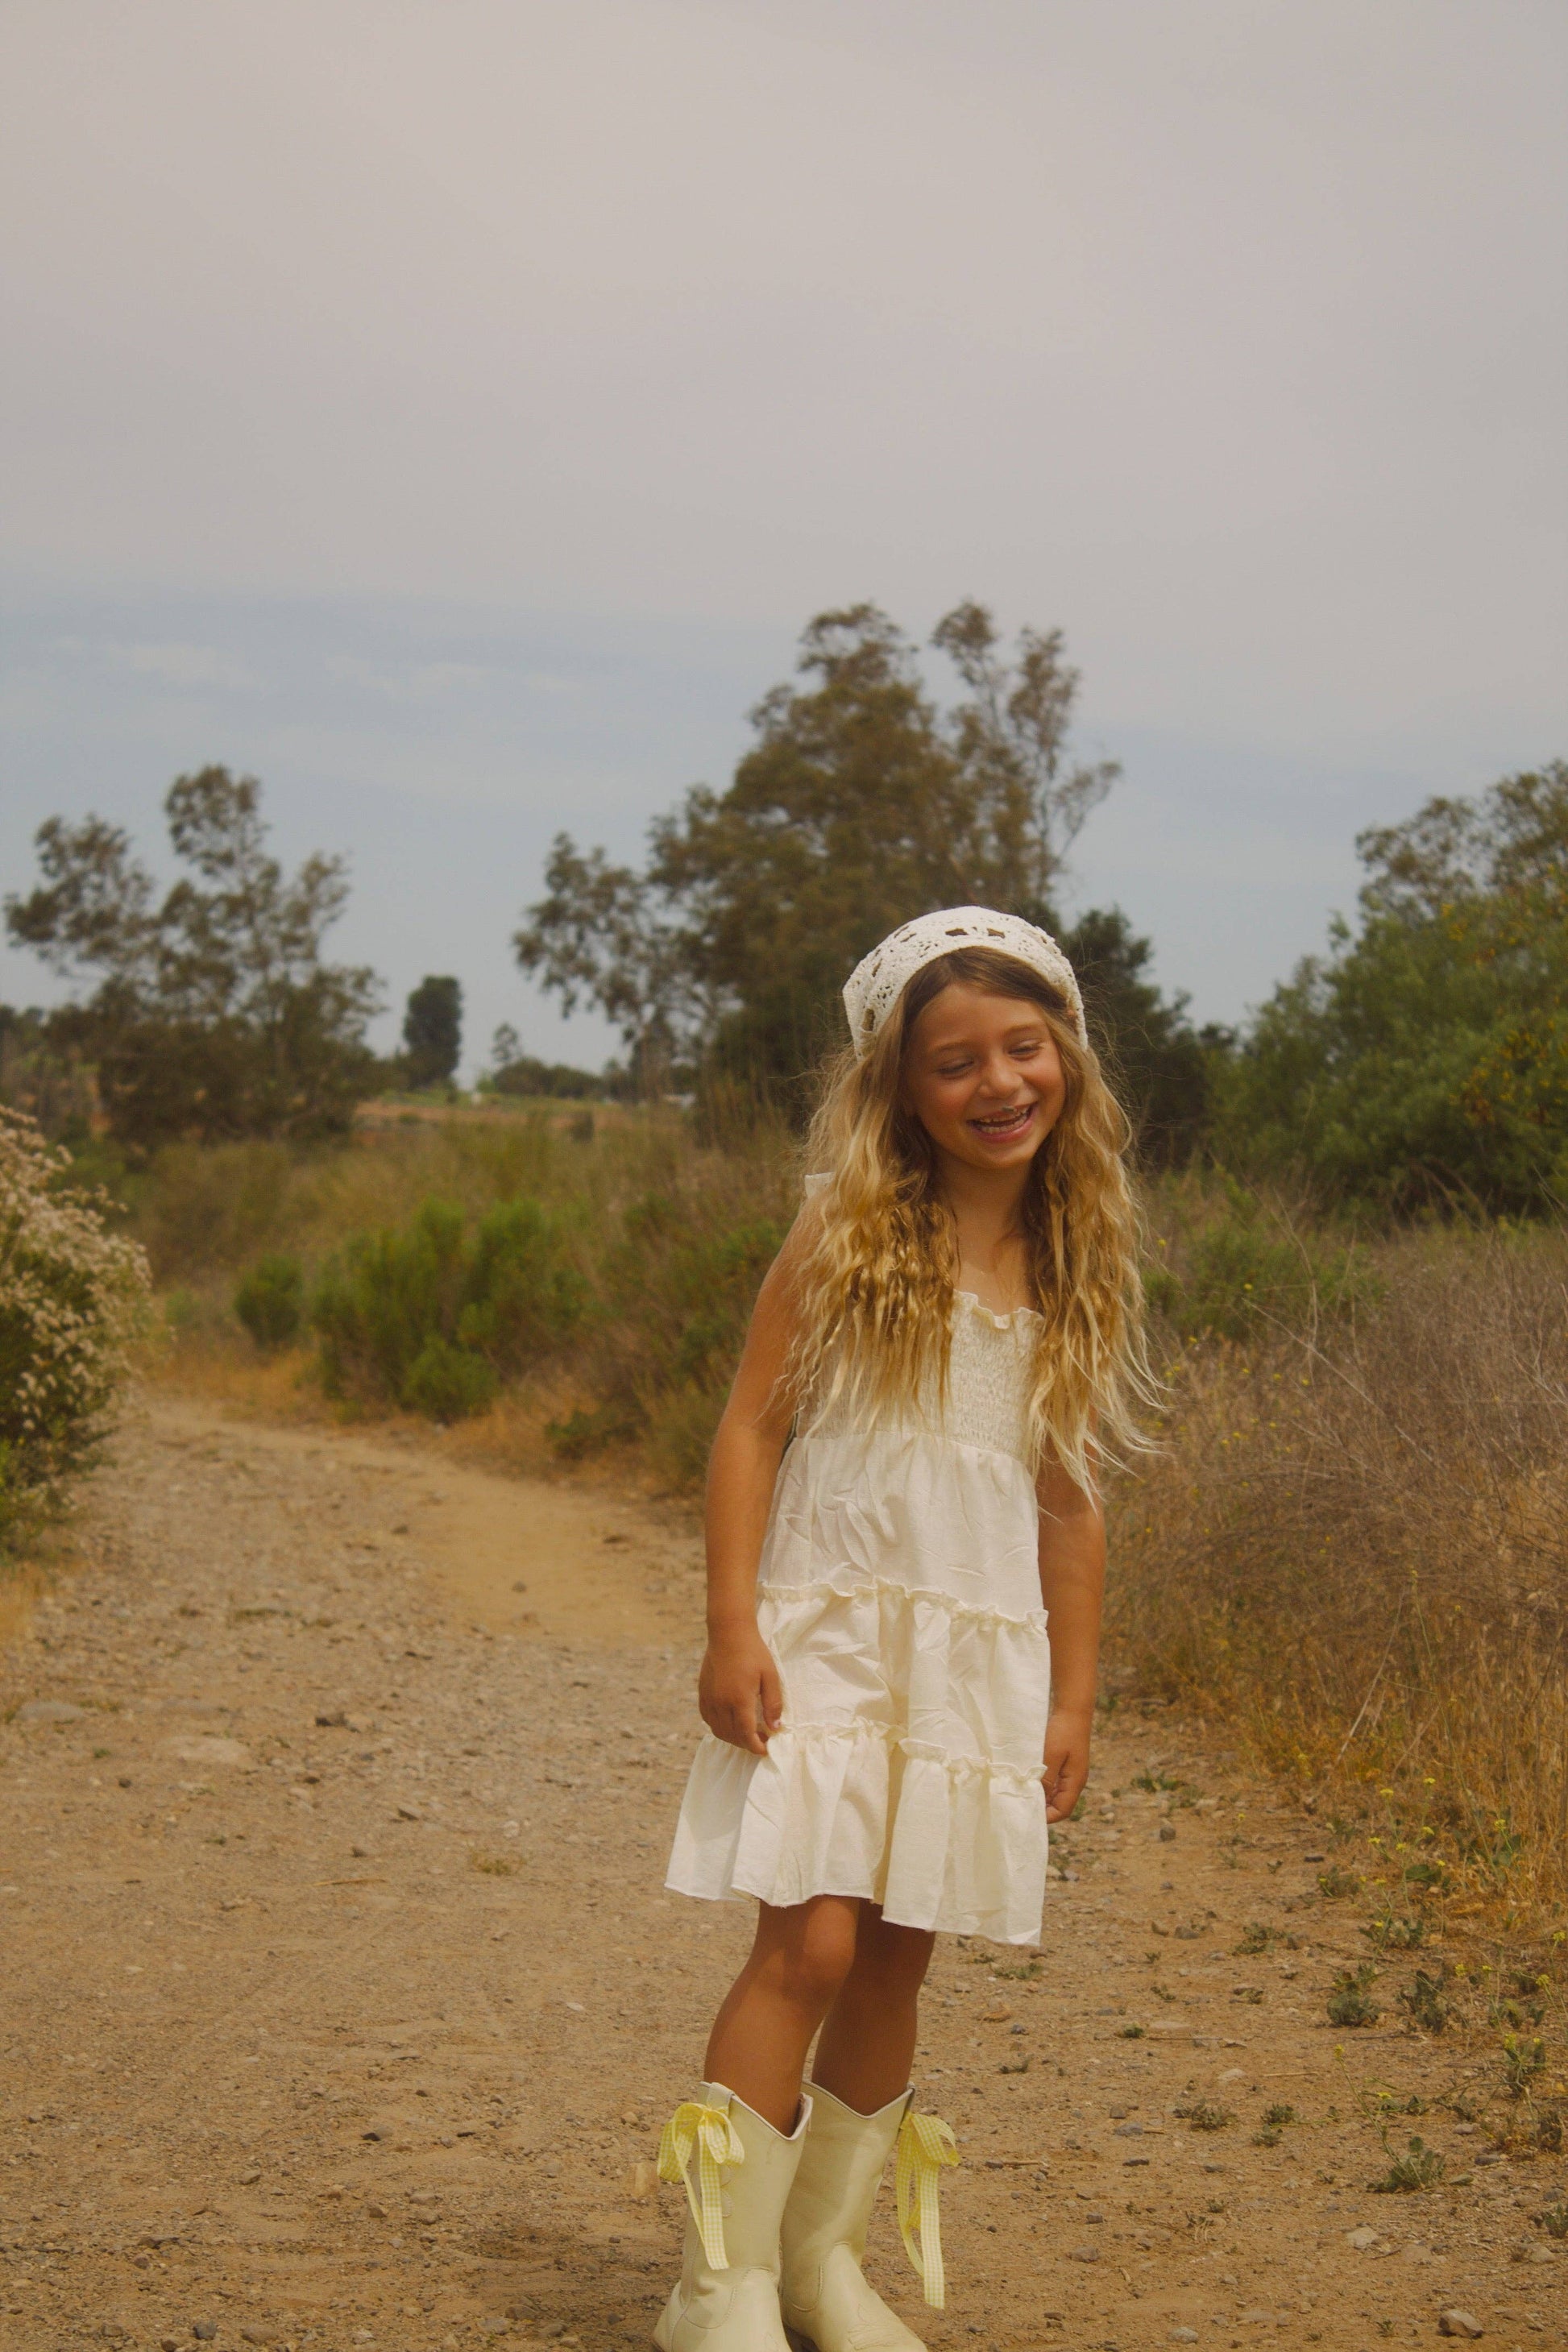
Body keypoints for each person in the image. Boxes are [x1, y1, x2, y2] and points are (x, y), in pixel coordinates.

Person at [652, 907, 1155, 2352]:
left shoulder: (1074, 1262)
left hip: (974, 1653)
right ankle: (717, 2286)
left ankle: (820, 2270)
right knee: (806, 1945)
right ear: (901, 1089)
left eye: (1022, 1047)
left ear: (1063, 1056)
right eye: (954, 1063)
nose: (997, 1083)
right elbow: (751, 1427)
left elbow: (1067, 1507)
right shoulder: (853, 1222)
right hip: (831, 1630)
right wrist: (729, 1623)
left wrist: (1069, 1699)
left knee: (897, 1954)